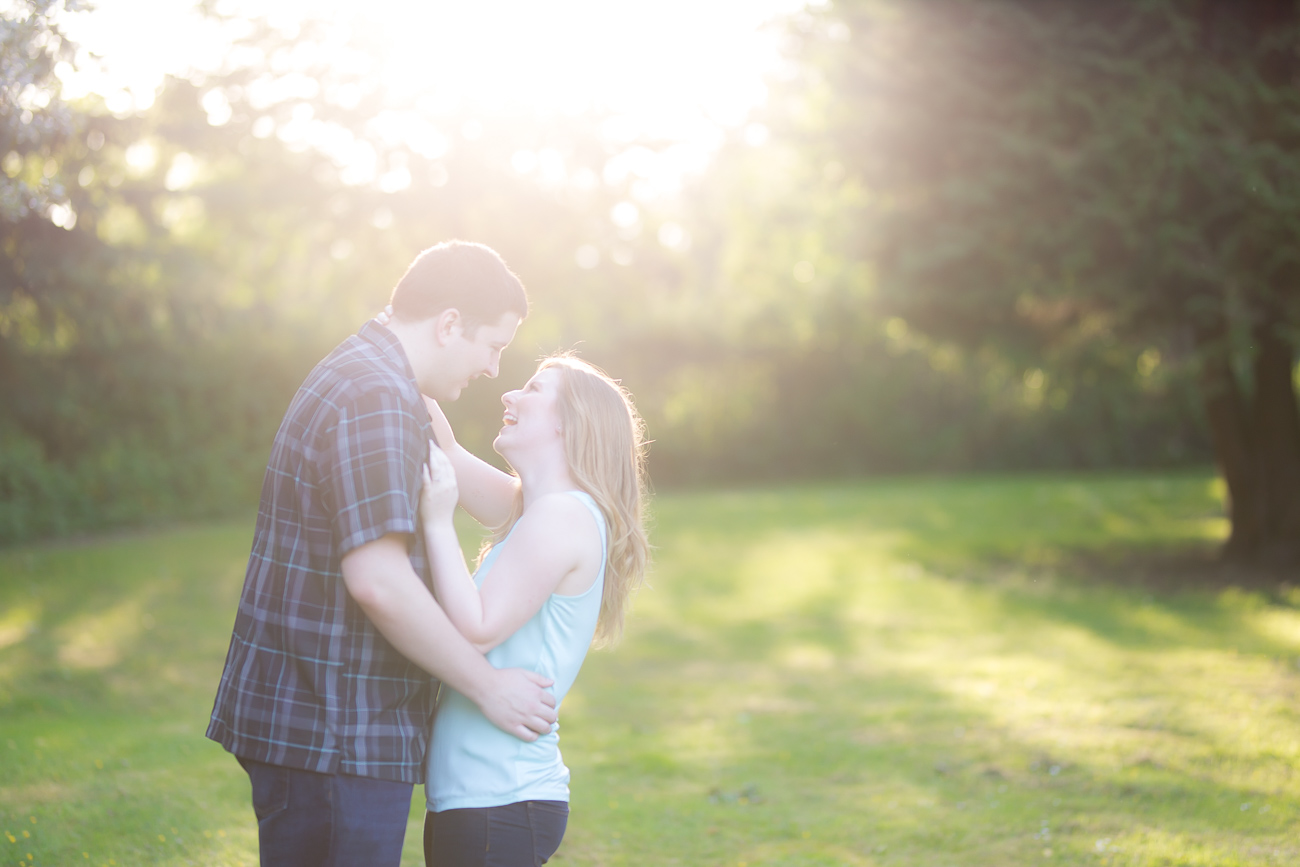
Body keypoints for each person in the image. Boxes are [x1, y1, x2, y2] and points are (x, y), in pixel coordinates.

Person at [206, 241, 560, 867]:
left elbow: (510, 509)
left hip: (328, 725)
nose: (493, 370)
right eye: (494, 346)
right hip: (335, 729)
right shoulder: (376, 398)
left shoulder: (376, 380)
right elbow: (378, 579)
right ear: (449, 324)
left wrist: (455, 455)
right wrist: (488, 687)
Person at [416, 354, 649, 867]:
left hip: (500, 800)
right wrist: (403, 352)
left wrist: (437, 521)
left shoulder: (562, 516)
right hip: (487, 799)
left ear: (571, 424)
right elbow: (445, 450)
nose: (508, 395)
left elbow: (474, 630)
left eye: (533, 389)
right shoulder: (542, 509)